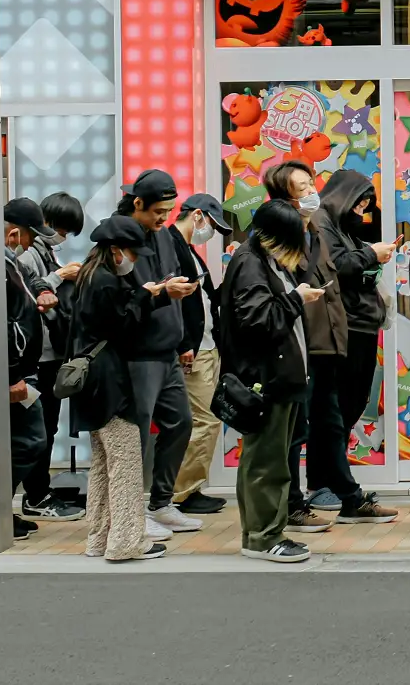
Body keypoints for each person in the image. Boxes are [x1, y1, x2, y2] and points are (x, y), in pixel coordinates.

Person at [220, 200, 325, 563]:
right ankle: (264, 538)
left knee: (267, 459)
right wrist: (296, 298)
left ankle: (260, 533)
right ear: (275, 236)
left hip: (278, 376)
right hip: (267, 379)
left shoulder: (262, 260)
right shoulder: (251, 264)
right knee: (269, 462)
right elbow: (258, 321)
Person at [70, 215, 172, 561]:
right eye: (132, 252)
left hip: (90, 384)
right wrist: (147, 298)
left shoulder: (87, 277)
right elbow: (124, 328)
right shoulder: (106, 283)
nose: (135, 260)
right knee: (126, 463)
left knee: (102, 464)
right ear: (116, 251)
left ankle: (99, 538)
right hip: (109, 383)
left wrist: (144, 296)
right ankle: (127, 541)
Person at [310, 169, 399, 524]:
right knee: (334, 410)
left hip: (361, 325)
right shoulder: (321, 222)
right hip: (342, 327)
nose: (363, 210)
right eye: (360, 202)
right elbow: (336, 266)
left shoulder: (343, 226)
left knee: (349, 406)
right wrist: (371, 255)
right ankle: (331, 486)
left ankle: (332, 482)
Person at [116, 170, 201, 537]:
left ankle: (161, 503)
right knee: (133, 434)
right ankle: (131, 510)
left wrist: (182, 341)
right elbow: (122, 301)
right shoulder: (117, 239)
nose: (162, 218)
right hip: (136, 353)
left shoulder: (165, 236)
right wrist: (162, 293)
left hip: (167, 349)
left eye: (167, 210)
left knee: (181, 422)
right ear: (138, 203)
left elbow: (170, 282)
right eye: (157, 211)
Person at [263, 160, 341, 535]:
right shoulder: (276, 242)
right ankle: (291, 504)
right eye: (301, 188)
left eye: (311, 183)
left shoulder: (316, 229)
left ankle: (312, 496)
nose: (311, 192)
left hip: (318, 342)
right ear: (283, 199)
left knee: (316, 419)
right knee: (293, 429)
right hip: (292, 343)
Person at [15, 192, 87, 523]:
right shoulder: (29, 255)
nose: (62, 236)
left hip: (51, 354)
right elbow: (29, 295)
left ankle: (39, 491)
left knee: (47, 426)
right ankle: (35, 495)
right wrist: (61, 277)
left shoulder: (46, 251)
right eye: (61, 228)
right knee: (38, 431)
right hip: (38, 356)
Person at [3, 198, 63, 540]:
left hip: (23, 372)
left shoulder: (11, 261)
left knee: (25, 440)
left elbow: (33, 280)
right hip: (13, 374)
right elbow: (0, 326)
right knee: (30, 440)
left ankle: (2, 509)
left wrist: (42, 290)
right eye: (29, 236)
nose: (31, 244)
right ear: (15, 233)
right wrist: (13, 377)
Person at [168, 193, 231, 516]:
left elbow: (203, 299)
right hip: (193, 350)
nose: (210, 231)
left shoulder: (188, 249)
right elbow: (176, 301)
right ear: (196, 216)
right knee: (203, 420)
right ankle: (181, 491)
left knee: (203, 420)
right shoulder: (171, 245)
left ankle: (186, 489)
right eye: (210, 223)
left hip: (205, 346)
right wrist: (184, 345)